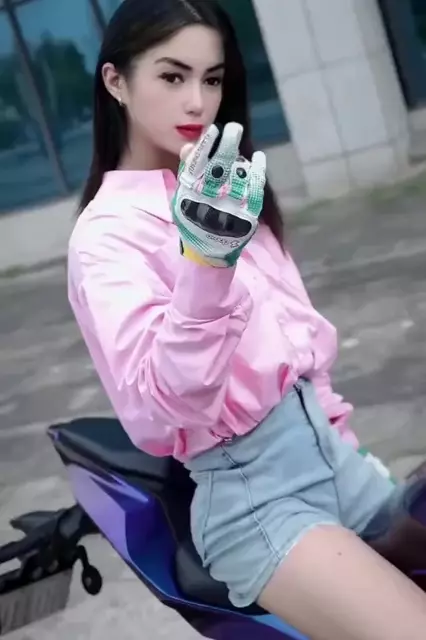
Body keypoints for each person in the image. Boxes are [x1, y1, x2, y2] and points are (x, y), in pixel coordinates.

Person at [67, 0, 426, 638]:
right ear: (116, 81)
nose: (197, 101)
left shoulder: (225, 189)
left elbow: (298, 344)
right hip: (259, 502)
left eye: (212, 78)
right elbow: (163, 408)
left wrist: (348, 449)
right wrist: (205, 264)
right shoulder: (107, 236)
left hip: (338, 467)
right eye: (172, 76)